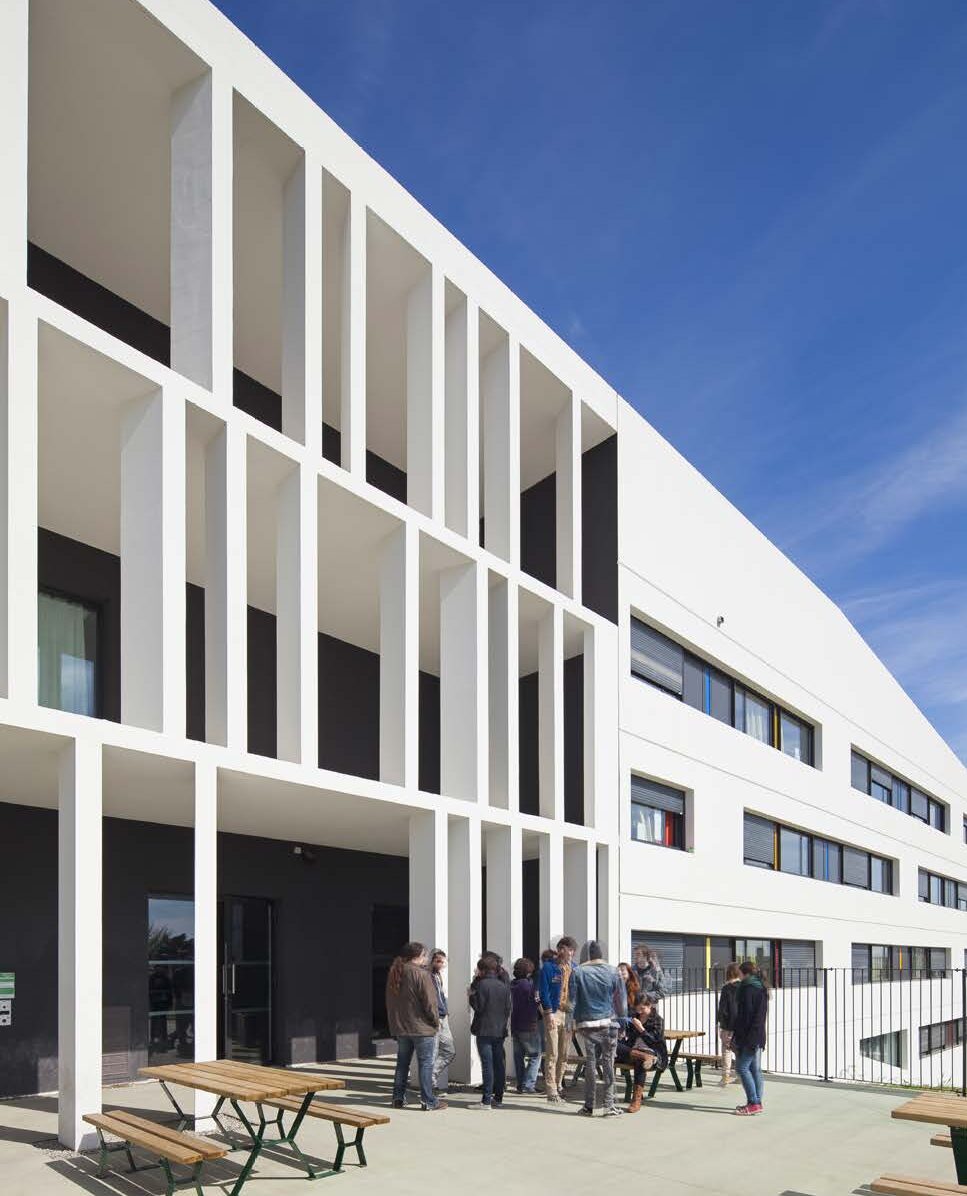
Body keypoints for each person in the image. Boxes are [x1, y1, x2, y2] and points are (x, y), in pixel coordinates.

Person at [569, 940, 628, 1117]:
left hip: (586, 1026)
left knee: (591, 1064)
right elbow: (621, 1002)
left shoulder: (577, 971)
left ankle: (588, 1106)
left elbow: (572, 1001)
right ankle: (609, 1106)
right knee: (608, 1064)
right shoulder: (613, 971)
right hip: (609, 1024)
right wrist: (623, 1023)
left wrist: (570, 1023)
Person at [386, 942, 446, 1111]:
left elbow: (391, 1003)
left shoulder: (395, 972)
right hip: (421, 1027)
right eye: (425, 955)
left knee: (402, 1064)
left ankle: (397, 1098)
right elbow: (430, 1003)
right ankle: (428, 1101)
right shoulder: (421, 974)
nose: (426, 959)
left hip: (402, 1027)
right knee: (425, 1064)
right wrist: (435, 1021)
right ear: (418, 956)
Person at [468, 951, 512, 1108]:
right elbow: (508, 1009)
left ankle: (486, 1099)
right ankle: (498, 1098)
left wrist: (471, 996)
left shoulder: (480, 985)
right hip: (499, 1029)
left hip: (484, 1029)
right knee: (499, 1064)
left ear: (482, 970)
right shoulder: (504, 986)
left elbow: (478, 1007)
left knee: (487, 1065)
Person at [539, 935, 578, 1103]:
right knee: (553, 1052)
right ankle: (551, 1089)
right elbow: (543, 991)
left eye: (569, 950)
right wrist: (548, 1013)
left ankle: (559, 1084)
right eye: (563, 948)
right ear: (559, 949)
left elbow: (578, 992)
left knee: (564, 1053)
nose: (566, 952)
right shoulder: (548, 967)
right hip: (554, 1012)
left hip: (569, 1014)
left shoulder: (575, 968)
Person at [615, 995, 668, 1112]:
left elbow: (654, 1042)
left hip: (652, 1052)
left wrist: (641, 1029)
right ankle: (644, 1057)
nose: (640, 1012)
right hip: (633, 1051)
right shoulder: (635, 1017)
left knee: (640, 1062)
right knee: (612, 1044)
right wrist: (624, 1030)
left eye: (642, 1009)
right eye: (638, 1009)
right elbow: (629, 1038)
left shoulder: (658, 1020)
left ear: (649, 1006)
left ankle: (636, 1100)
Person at [732, 960, 769, 1115]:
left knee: (742, 1068)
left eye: (739, 973)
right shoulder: (761, 988)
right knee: (755, 1069)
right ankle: (755, 1102)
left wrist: (738, 1037)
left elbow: (745, 1017)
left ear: (745, 973)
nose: (738, 976)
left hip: (749, 1037)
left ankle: (754, 1102)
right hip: (757, 1035)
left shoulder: (747, 989)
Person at [510, 957, 541, 1093]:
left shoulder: (512, 984)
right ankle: (528, 1085)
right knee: (535, 1055)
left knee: (518, 1057)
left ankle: (520, 1084)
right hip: (528, 1024)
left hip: (515, 1024)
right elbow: (535, 1003)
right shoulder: (528, 986)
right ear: (528, 972)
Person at [428, 948, 456, 1094]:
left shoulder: (438, 975)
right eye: (438, 961)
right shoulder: (427, 976)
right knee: (432, 1052)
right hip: (435, 1018)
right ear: (431, 961)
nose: (441, 964)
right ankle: (430, 1085)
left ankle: (430, 1077)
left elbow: (441, 996)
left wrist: (445, 1010)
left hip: (443, 1017)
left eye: (443, 962)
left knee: (449, 1050)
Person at [717, 961, 742, 1086]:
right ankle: (740, 1076)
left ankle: (725, 1076)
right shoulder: (744, 987)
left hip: (728, 1025)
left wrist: (721, 1025)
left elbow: (723, 1008)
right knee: (739, 1051)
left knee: (726, 1049)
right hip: (741, 1024)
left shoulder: (726, 988)